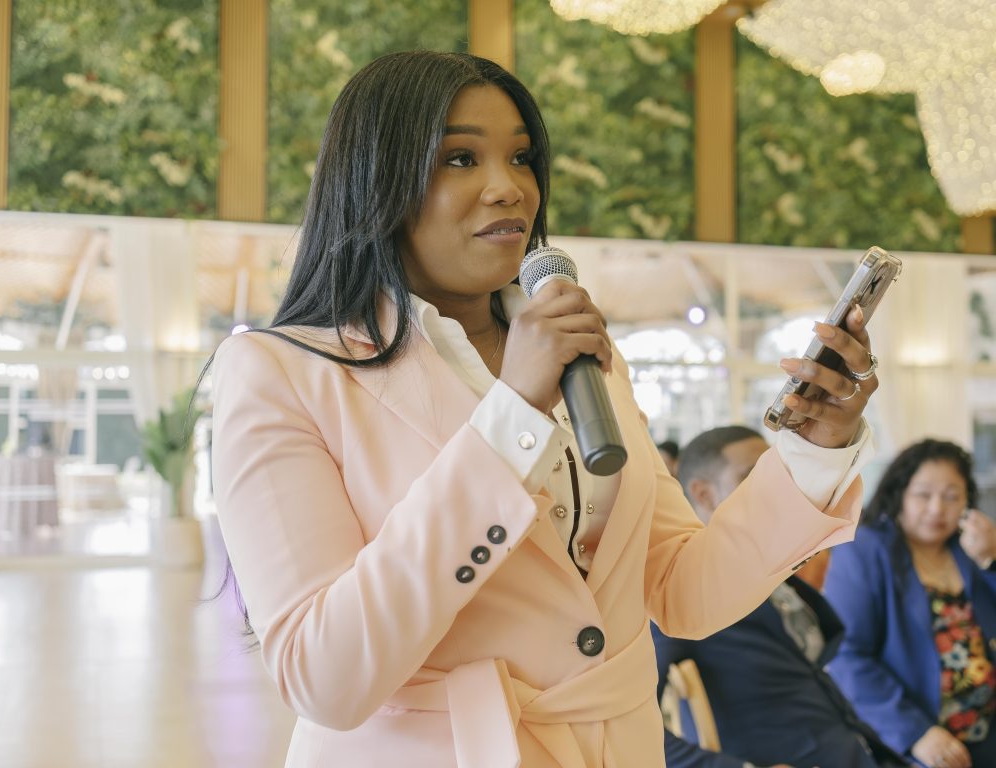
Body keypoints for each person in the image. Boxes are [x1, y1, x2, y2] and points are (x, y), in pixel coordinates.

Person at [210, 50, 881, 768]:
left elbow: (683, 589)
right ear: (375, 181)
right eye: (460, 159)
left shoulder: (586, 355)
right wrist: (510, 416)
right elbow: (325, 676)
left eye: (522, 158)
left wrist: (813, 451)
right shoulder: (280, 374)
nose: (508, 188)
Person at [651, 426, 907, 768]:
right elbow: (635, 725)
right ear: (703, 494)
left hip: (858, 747)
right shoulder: (678, 590)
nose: (773, 487)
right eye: (752, 476)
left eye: (777, 473)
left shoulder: (772, 566)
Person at [825, 439, 996, 768]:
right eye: (923, 494)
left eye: (951, 496)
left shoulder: (971, 548)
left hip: (985, 728)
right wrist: (916, 732)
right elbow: (846, 655)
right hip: (913, 741)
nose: (937, 508)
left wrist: (991, 559)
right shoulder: (864, 551)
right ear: (899, 493)